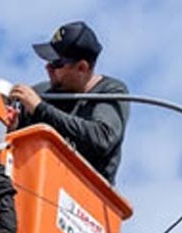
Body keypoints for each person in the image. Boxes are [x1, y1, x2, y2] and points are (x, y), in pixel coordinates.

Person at [10, 21, 129, 185]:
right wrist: (13, 125)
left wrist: (40, 108)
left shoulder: (110, 91)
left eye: (56, 63)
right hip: (35, 182)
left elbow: (102, 138)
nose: (48, 68)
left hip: (84, 192)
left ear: (82, 68)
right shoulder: (42, 92)